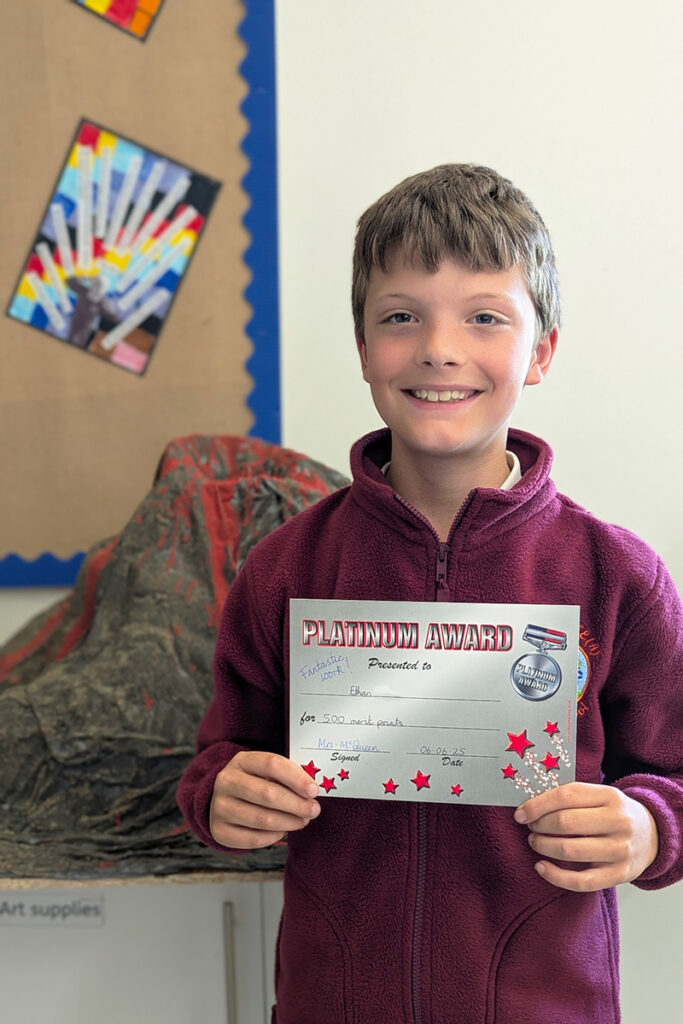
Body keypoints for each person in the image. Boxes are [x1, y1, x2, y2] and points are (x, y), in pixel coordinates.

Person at [177, 164, 683, 1023]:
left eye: (484, 317)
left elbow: (670, 775)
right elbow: (221, 756)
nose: (438, 348)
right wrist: (221, 796)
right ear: (362, 348)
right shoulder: (285, 568)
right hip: (332, 1003)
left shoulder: (616, 575)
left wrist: (647, 829)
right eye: (400, 316)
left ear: (541, 350)